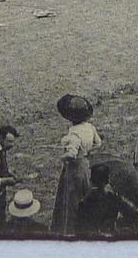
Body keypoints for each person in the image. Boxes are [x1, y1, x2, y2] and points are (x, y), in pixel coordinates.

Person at [52, 94, 103, 235]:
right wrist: (86, 151)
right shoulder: (90, 127)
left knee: (71, 200)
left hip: (74, 169)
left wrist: (64, 157)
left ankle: (69, 230)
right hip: (86, 164)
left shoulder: (73, 133)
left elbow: (71, 153)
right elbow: (98, 143)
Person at [75, 164, 138, 237]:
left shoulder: (84, 203)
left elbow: (79, 230)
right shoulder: (115, 198)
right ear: (108, 180)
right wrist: (118, 223)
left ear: (91, 181)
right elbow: (136, 215)